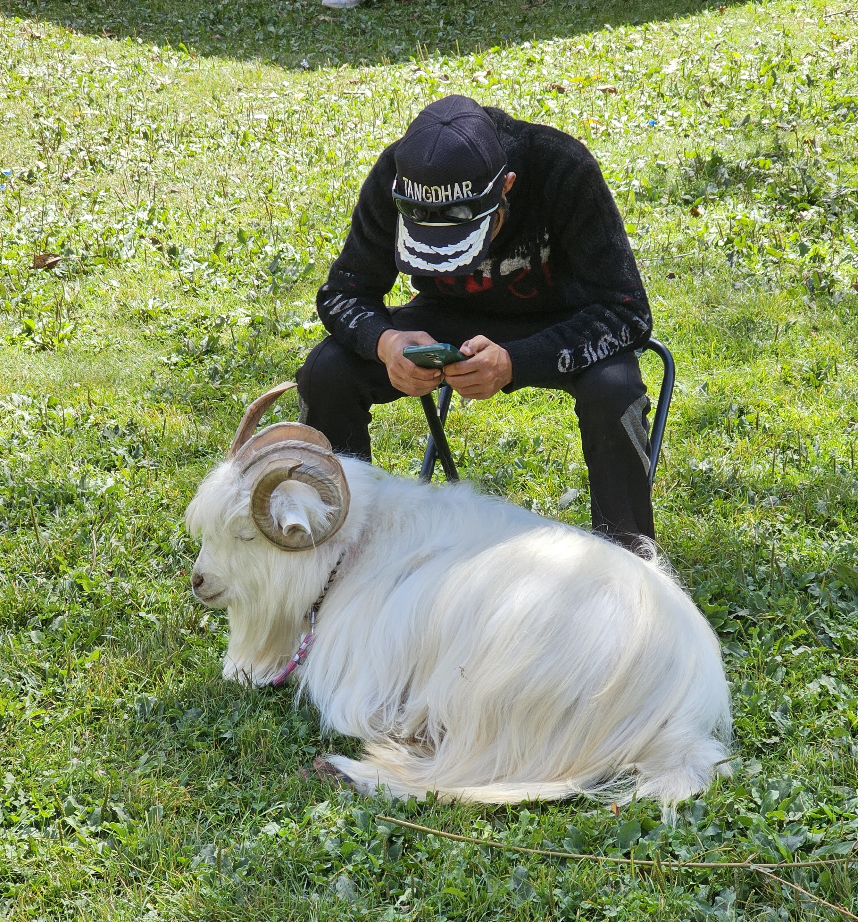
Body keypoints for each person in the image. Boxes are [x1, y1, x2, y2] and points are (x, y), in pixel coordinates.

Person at [296, 95, 655, 551]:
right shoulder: (399, 173)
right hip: (446, 317)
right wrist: (386, 343)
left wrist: (516, 362)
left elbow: (628, 312)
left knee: (613, 389)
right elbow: (344, 292)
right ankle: (335, 553)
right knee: (327, 370)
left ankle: (630, 566)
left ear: (506, 187)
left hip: (563, 321)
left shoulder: (561, 167)